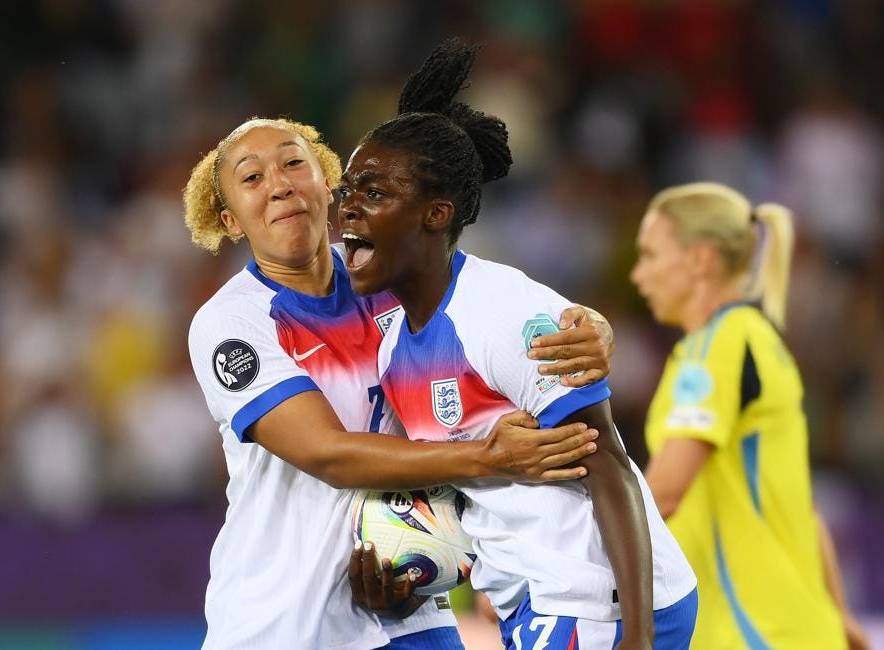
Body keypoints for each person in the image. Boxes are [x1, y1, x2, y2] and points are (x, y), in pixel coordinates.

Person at [182, 113, 615, 649]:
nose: (279, 185)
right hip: (284, 619)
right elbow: (328, 455)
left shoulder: (388, 274)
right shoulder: (233, 323)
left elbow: (507, 305)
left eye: (295, 163)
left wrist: (590, 325)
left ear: (326, 181)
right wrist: (490, 457)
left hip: (415, 606)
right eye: (252, 178)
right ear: (229, 221)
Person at [338, 39, 696, 650]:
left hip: (597, 604)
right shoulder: (394, 343)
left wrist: (636, 638)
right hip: (532, 602)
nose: (348, 209)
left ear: (435, 213)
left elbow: (608, 466)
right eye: (348, 190)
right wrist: (405, 574)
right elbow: (461, 486)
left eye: (374, 193)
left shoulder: (506, 315)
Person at [631, 182, 870, 649]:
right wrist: (839, 615)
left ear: (699, 260)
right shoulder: (758, 341)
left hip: (751, 632)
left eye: (651, 256)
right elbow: (803, 507)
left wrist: (552, 569)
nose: (639, 276)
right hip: (792, 628)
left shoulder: (716, 348)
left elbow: (665, 493)